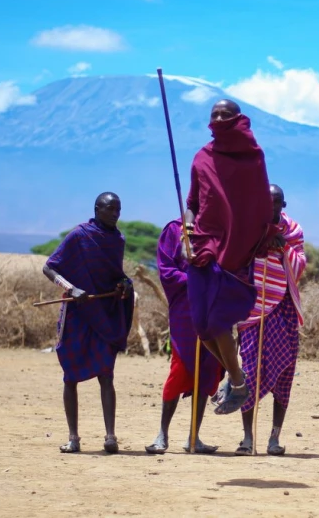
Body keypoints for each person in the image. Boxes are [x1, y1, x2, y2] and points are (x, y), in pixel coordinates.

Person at [184, 99, 277, 415]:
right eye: (214, 114)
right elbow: (193, 201)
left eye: (226, 114)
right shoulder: (202, 157)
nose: (219, 118)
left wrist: (263, 233)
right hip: (202, 244)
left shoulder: (253, 158)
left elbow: (260, 202)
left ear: (239, 118)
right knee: (201, 324)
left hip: (235, 247)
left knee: (219, 319)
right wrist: (186, 224)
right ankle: (237, 378)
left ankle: (237, 382)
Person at [42, 192, 134, 454]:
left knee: (106, 375)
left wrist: (124, 286)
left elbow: (118, 276)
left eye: (118, 209)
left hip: (104, 314)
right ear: (96, 209)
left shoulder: (117, 240)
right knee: (70, 377)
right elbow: (49, 268)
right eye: (110, 208)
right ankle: (73, 438)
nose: (115, 213)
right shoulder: (79, 236)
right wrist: (71, 289)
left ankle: (110, 437)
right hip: (78, 316)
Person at [234, 185, 306, 456]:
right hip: (253, 309)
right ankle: (247, 437)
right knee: (250, 372)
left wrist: (283, 246)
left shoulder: (294, 230)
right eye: (266, 203)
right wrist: (261, 243)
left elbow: (299, 266)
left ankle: (274, 438)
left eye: (276, 204)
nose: (271, 209)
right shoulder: (250, 227)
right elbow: (237, 257)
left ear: (283, 204)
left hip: (284, 306)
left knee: (285, 373)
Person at [145, 219, 224, 455]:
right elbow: (167, 271)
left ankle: (194, 437)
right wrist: (194, 280)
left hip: (214, 309)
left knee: (208, 370)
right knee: (180, 369)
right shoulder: (174, 229)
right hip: (185, 309)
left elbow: (228, 265)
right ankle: (162, 434)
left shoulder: (219, 228)